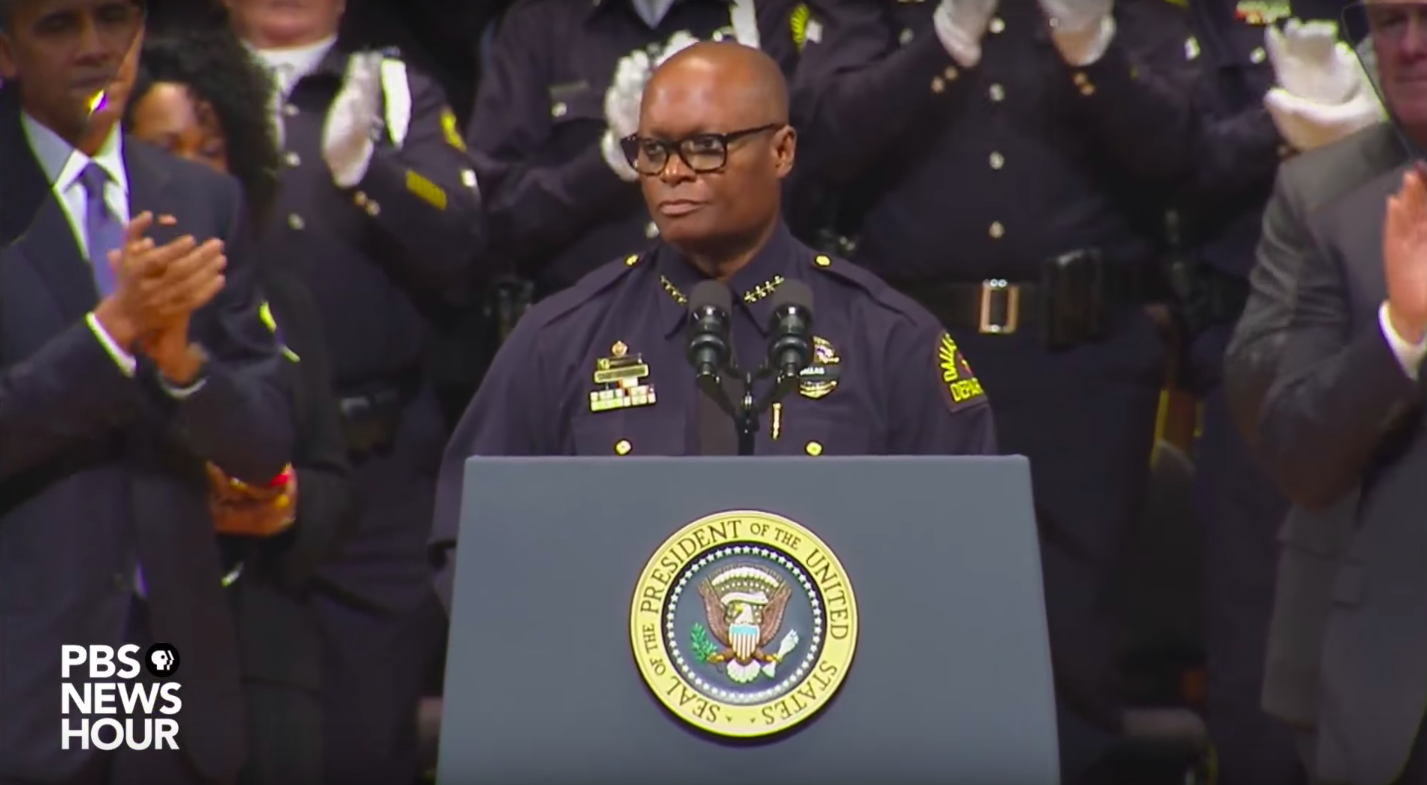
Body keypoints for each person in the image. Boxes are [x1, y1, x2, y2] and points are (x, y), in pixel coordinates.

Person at [430, 40, 998, 611]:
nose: (673, 173)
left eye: (706, 147)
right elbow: (471, 545)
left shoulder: (890, 341)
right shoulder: (560, 341)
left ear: (781, 151)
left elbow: (966, 550)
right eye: (652, 150)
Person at [789, 0, 1202, 773]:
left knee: (1074, 635)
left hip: (1081, 358)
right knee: (901, 615)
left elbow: (1182, 151)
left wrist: (1094, 49)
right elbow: (817, 143)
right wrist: (941, 42)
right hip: (912, 356)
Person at [0, 0, 294, 783]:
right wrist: (112, 334)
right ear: (6, 51)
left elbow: (266, 439)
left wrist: (181, 361)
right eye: (59, 25)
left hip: (170, 640)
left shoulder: (203, 200)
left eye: (114, 18)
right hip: (29, 660)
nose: (96, 47)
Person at [219, 1, 484, 782]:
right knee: (201, 736)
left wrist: (375, 172)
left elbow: (466, 240)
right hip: (208, 466)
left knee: (367, 741)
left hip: (378, 473)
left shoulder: (397, 86)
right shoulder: (176, 79)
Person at [123, 27, 357, 785]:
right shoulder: (84, 305)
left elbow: (332, 482)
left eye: (210, 150)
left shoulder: (284, 305)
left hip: (265, 643)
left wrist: (283, 503)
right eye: (164, 151)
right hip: (126, 651)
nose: (188, 177)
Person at [1164, 6, 1381, 785]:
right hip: (1261, 343)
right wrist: (1280, 130)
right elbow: (1171, 161)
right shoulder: (1200, 19)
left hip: (1399, 335)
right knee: (1261, 648)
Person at [1225, 1, 1427, 782]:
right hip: (1377, 638)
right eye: (1389, 22)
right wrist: (1396, 331)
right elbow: (1264, 395)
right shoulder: (1324, 198)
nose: (1409, 46)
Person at [467, 0, 806, 299]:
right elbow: (496, 217)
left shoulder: (759, 15)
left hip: (747, 309)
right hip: (590, 326)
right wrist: (609, 160)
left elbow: (815, 184)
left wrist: (733, 124)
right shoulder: (540, 25)